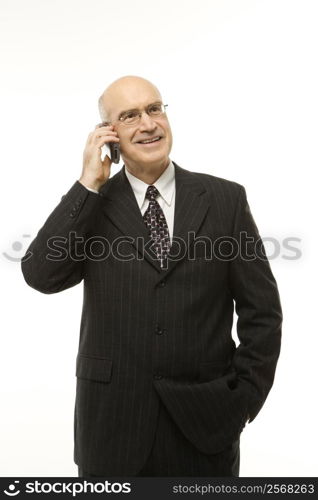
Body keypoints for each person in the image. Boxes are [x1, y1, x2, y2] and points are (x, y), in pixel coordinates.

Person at [21, 75, 282, 477]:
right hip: (111, 429)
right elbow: (40, 274)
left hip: (205, 427)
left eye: (154, 108)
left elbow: (262, 312)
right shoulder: (93, 204)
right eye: (129, 116)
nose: (147, 124)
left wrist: (244, 401)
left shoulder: (225, 199)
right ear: (108, 135)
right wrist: (88, 182)